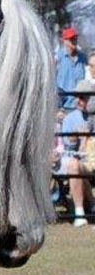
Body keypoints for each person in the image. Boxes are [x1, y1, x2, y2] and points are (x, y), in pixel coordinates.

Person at [60, 95, 91, 225]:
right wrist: (74, 139)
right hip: (77, 161)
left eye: (83, 98)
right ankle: (79, 214)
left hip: (90, 160)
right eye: (78, 97)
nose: (78, 100)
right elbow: (67, 147)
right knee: (74, 165)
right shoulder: (70, 118)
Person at [58, 26, 86, 109]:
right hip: (62, 107)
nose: (74, 41)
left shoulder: (83, 58)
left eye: (75, 38)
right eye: (71, 39)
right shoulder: (58, 58)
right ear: (64, 41)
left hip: (79, 107)